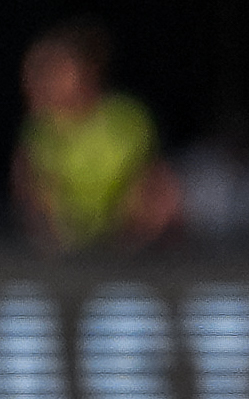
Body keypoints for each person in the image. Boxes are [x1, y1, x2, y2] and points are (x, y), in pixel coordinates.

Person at [14, 23, 178, 250]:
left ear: (86, 71)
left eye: (54, 71)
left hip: (130, 251)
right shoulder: (39, 133)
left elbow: (157, 191)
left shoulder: (126, 120)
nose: (42, 82)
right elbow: (35, 200)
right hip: (68, 252)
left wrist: (131, 246)